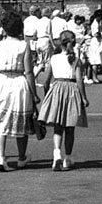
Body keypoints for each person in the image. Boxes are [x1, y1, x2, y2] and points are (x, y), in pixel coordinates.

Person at [0, 10, 38, 171]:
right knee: (23, 120)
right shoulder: (23, 45)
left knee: (0, 120)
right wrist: (34, 94)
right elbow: (29, 71)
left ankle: (1, 157)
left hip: (1, 81)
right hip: (19, 82)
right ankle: (21, 157)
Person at [38, 30, 90, 171]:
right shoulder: (76, 60)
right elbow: (79, 80)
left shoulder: (53, 59)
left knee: (58, 127)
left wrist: (47, 95)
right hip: (72, 90)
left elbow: (46, 80)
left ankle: (56, 155)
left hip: (57, 89)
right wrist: (84, 97)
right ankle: (67, 158)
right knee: (70, 127)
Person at [85, 8, 102, 83]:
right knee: (94, 61)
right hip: (95, 42)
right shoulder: (95, 24)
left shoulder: (97, 23)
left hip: (96, 41)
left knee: (95, 60)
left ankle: (93, 77)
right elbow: (96, 34)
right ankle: (94, 77)